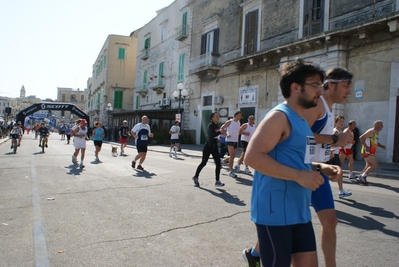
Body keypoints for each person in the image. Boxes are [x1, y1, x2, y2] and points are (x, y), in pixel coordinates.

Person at [245, 58, 338, 267]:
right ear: (296, 87)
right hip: (274, 213)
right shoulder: (279, 117)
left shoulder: (303, 121)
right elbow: (252, 157)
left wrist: (321, 168)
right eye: (315, 85)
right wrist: (299, 176)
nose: (320, 92)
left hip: (299, 211)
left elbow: (298, 162)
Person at [304, 67, 354, 267]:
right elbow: (299, 136)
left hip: (318, 171)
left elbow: (318, 140)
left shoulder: (330, 109)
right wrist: (334, 138)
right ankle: (255, 252)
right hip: (302, 171)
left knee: (330, 222)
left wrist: (332, 145)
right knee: (289, 223)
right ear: (330, 84)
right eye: (345, 86)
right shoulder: (317, 105)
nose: (348, 91)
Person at [192, 112, 224, 187]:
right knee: (203, 163)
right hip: (208, 147)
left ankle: (217, 181)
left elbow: (214, 136)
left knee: (218, 164)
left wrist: (217, 139)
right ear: (212, 118)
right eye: (216, 116)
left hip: (214, 147)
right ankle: (195, 177)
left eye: (218, 116)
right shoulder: (210, 126)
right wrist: (219, 132)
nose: (218, 117)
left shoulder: (216, 126)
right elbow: (210, 136)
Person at [357, 120, 386, 185]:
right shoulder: (371, 131)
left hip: (371, 152)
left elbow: (375, 142)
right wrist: (366, 146)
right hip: (367, 151)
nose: (382, 127)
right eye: (381, 125)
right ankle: (362, 176)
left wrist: (381, 146)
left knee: (368, 165)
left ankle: (360, 177)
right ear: (376, 125)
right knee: (375, 165)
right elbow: (361, 137)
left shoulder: (376, 133)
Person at [220, 111, 242, 178]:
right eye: (239, 115)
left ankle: (223, 161)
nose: (240, 117)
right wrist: (226, 134)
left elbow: (238, 131)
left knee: (233, 155)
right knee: (232, 155)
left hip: (235, 140)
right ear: (235, 115)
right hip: (229, 140)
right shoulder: (230, 121)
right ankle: (231, 171)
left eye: (241, 116)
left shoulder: (238, 123)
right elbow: (222, 128)